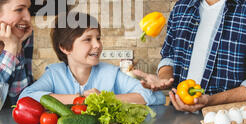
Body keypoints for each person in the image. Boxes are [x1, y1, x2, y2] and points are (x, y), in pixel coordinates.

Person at [19, 12, 165, 105]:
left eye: (98, 38)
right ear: (65, 47)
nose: (97, 45)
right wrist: (80, 99)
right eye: (87, 39)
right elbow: (26, 97)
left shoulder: (110, 73)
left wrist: (104, 98)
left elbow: (155, 97)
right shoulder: (54, 74)